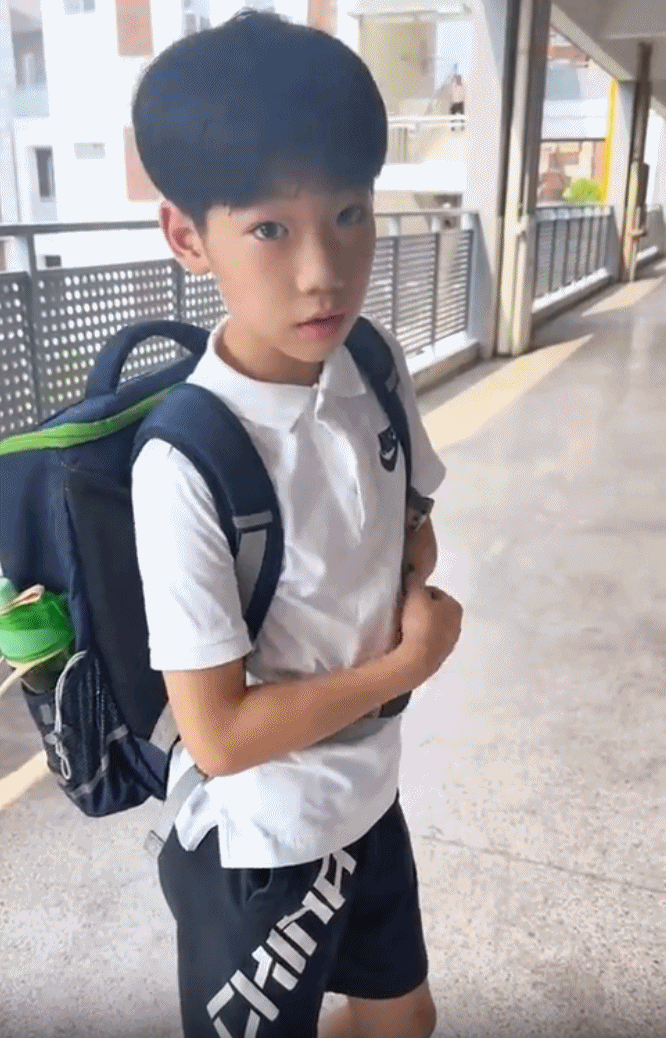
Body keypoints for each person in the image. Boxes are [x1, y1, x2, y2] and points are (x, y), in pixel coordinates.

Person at [130, 11, 463, 1038]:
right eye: (271, 229)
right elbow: (221, 735)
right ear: (189, 237)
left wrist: (412, 581)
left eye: (351, 213)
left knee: (403, 1020)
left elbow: (409, 519)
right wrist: (406, 664)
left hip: (370, 795)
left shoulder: (372, 360)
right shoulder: (185, 462)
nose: (325, 270)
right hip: (261, 844)